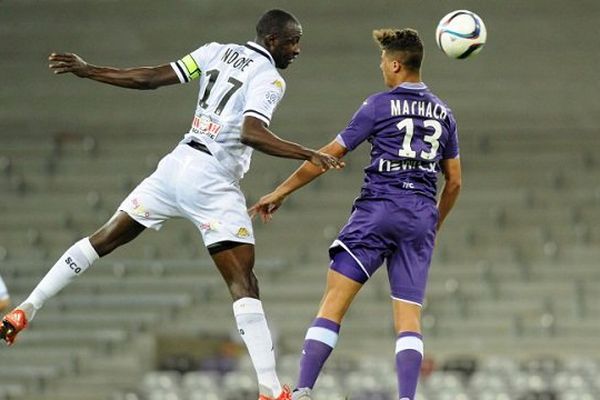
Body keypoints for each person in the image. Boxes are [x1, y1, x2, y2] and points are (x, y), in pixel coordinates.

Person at [0, 9, 343, 400]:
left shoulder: (215, 51)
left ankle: (27, 308)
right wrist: (308, 154)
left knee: (102, 240)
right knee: (243, 283)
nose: (297, 49)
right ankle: (269, 389)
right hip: (212, 179)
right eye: (293, 41)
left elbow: (148, 78)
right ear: (272, 40)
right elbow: (252, 132)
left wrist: (88, 70)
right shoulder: (269, 78)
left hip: (174, 166)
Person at [250, 28, 462, 400]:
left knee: (334, 301)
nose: (381, 66)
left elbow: (329, 155)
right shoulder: (444, 113)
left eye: (383, 60)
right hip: (420, 216)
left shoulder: (378, 105)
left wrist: (281, 191)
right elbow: (455, 182)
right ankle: (407, 398)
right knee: (409, 318)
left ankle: (303, 390)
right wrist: (433, 224)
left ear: (396, 64)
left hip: (378, 210)